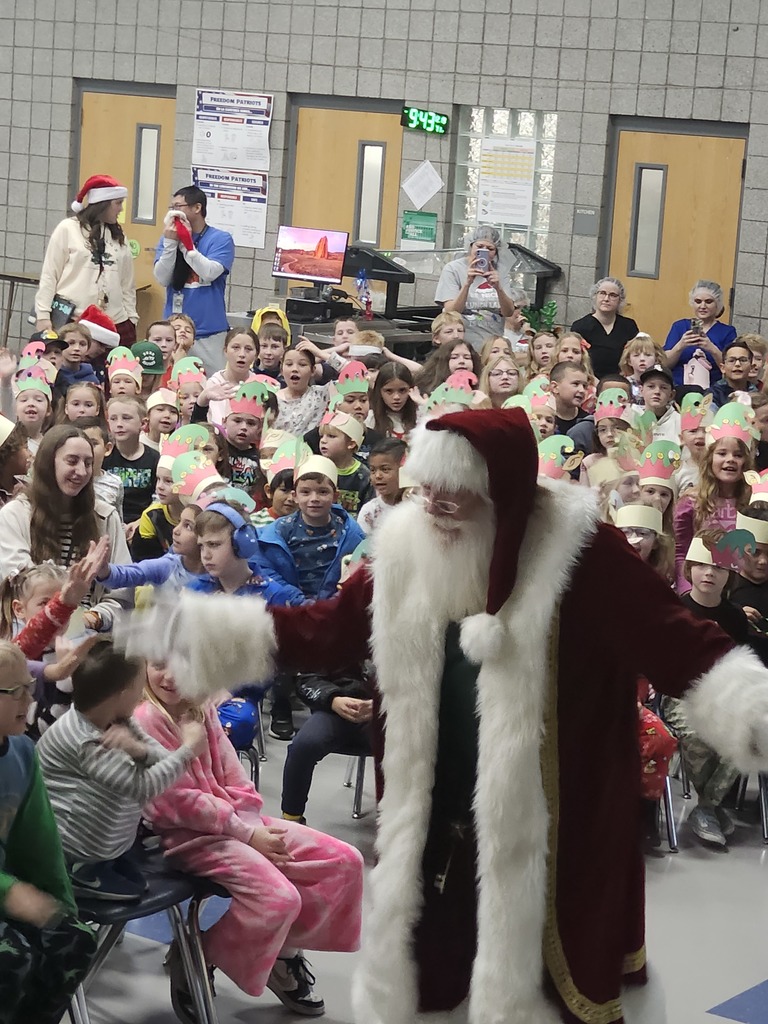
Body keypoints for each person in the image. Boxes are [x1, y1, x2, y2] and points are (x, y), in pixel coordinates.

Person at [126, 406, 768, 1024]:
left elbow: (676, 639)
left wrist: (751, 707)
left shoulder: (581, 555)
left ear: (501, 493)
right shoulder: (406, 550)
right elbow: (326, 631)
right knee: (435, 959)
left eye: (452, 491)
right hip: (435, 810)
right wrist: (205, 633)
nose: (431, 503)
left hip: (554, 817)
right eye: (425, 486)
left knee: (549, 964)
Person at [134, 660, 363, 1018]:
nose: (170, 675)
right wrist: (247, 835)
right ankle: (197, 956)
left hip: (236, 825)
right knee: (280, 899)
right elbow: (175, 804)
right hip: (187, 840)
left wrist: (251, 826)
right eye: (159, 664)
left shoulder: (201, 708)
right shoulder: (145, 721)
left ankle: (282, 956)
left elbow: (235, 776)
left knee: (345, 861)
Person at [38, 645, 207, 900]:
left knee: (138, 884)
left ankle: (101, 865)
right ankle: (77, 873)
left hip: (113, 848)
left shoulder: (117, 717)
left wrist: (138, 750)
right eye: (140, 687)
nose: (142, 695)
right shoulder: (85, 741)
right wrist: (188, 750)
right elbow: (146, 787)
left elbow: (163, 760)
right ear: (124, 694)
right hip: (77, 850)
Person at [0, 639, 97, 1023]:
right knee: (13, 958)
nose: (30, 699)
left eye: (31, 687)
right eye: (16, 691)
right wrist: (10, 893)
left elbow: (39, 843)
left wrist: (62, 906)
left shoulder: (22, 752)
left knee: (75, 941)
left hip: (7, 891)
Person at [662, 534, 752, 847]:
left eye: (717, 567)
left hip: (725, 693)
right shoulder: (676, 609)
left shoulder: (735, 616)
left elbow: (740, 660)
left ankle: (707, 808)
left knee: (744, 736)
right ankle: (711, 808)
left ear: (729, 574)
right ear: (689, 570)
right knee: (697, 736)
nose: (709, 573)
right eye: (700, 565)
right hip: (681, 692)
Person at [0, 425, 131, 632]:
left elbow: (122, 593)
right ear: (47, 463)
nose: (81, 471)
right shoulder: (15, 515)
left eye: (88, 463)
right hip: (29, 632)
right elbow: (19, 585)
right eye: (72, 461)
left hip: (91, 635)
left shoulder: (104, 516)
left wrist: (94, 618)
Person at [34, 174, 138, 345]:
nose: (121, 209)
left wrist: (132, 318)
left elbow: (128, 284)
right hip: (74, 321)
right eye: (118, 203)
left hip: (115, 322)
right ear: (103, 204)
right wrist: (43, 314)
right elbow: (49, 274)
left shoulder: (118, 236)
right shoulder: (68, 228)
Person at [153, 185, 235, 377]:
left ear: (196, 208)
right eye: (171, 207)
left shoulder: (220, 239)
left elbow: (209, 272)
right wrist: (172, 244)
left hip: (209, 332)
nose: (173, 213)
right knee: (173, 383)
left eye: (178, 206)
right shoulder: (168, 238)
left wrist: (187, 245)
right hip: (173, 331)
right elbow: (162, 278)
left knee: (213, 383)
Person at [673, 402, 755, 593]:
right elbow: (681, 552)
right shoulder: (690, 502)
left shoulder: (754, 502)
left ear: (746, 462)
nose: (730, 460)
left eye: (738, 455)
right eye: (722, 453)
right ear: (710, 460)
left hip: (745, 589)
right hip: (702, 589)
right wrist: (687, 592)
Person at [434, 226, 517, 350]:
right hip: (461, 343)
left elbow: (508, 312)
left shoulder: (500, 271)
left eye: (490, 248)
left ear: (496, 252)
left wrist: (498, 288)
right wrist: (467, 283)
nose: (484, 251)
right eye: (479, 247)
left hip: (490, 343)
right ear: (470, 247)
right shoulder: (453, 269)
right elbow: (451, 311)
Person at [663, 279, 738, 387]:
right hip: (677, 387)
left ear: (718, 304)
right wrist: (680, 346)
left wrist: (712, 348)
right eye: (698, 301)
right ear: (692, 303)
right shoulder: (679, 326)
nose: (703, 306)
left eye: (708, 302)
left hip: (711, 390)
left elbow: (730, 367)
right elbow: (665, 364)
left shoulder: (727, 332)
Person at [104, 395, 160, 527]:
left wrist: (140, 523)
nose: (119, 424)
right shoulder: (104, 456)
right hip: (110, 522)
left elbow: (158, 499)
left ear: (143, 423)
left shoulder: (154, 458)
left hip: (144, 522)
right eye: (113, 419)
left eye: (126, 418)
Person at [570, 277, 639, 378]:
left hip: (621, 382)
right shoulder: (580, 327)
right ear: (595, 296)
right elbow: (575, 361)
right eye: (602, 293)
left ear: (620, 300)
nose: (606, 299)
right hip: (588, 381)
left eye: (613, 295)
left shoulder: (629, 326)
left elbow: (636, 355)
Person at [318, 412, 374, 516]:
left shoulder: (364, 476)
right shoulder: (316, 470)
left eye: (331, 436)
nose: (323, 441)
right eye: (322, 436)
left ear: (351, 444)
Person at [358, 438, 408, 535]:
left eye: (385, 469)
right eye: (372, 470)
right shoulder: (369, 512)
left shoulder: (416, 507)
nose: (377, 476)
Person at [367, 363, 419, 440]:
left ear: (411, 389)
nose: (396, 397)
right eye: (389, 391)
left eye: (402, 390)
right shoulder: (370, 419)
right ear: (379, 391)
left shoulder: (420, 417)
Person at [708, 339, 755, 408]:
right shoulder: (713, 394)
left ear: (751, 367)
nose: (737, 364)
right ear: (722, 368)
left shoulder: (757, 393)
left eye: (743, 360)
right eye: (731, 360)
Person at [548, 361, 588, 435]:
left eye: (584, 386)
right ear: (555, 387)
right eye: (576, 384)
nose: (582, 390)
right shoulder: (542, 420)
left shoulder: (587, 422)